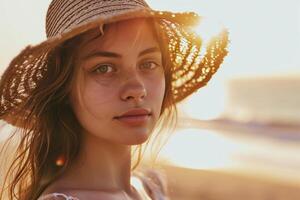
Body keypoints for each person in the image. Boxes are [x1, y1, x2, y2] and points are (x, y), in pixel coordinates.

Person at [0, 0, 229, 199]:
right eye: (104, 68)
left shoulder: (149, 187)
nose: (136, 89)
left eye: (148, 64)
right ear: (64, 88)